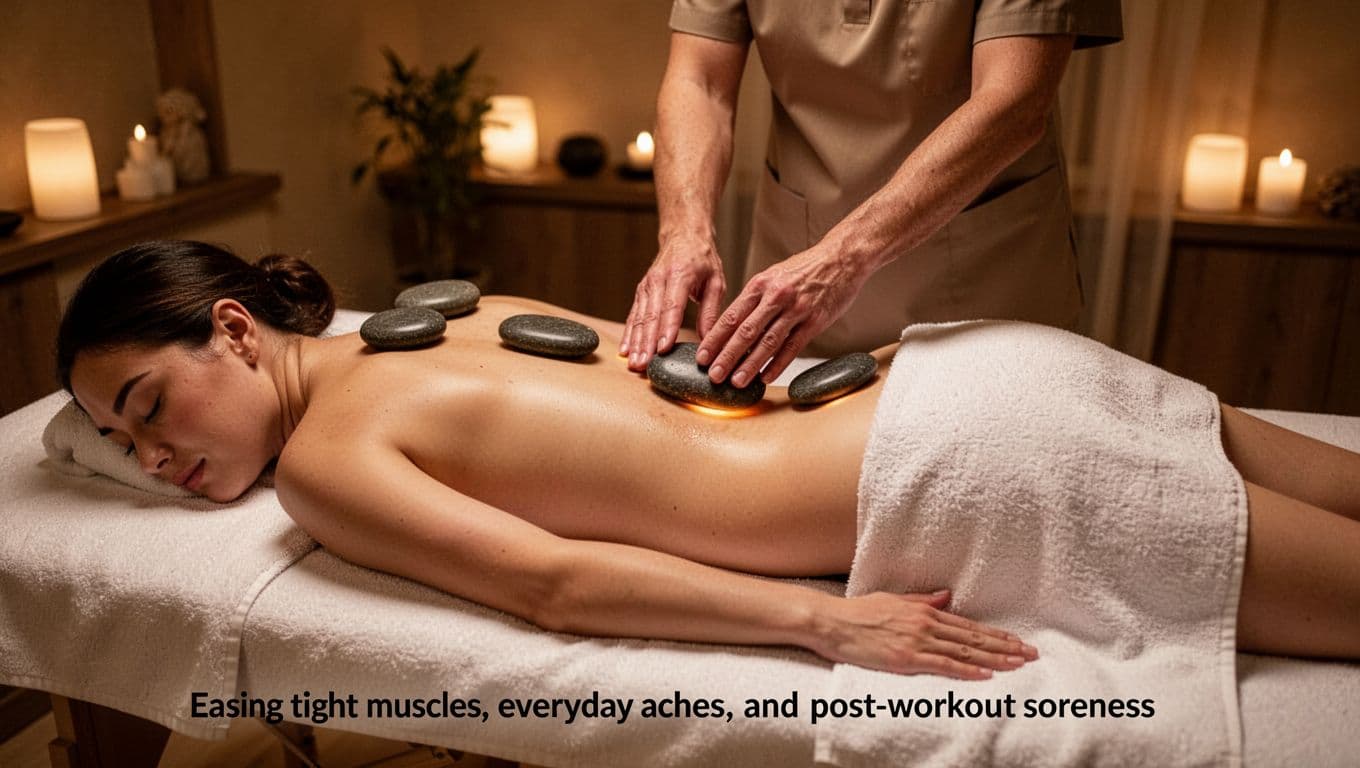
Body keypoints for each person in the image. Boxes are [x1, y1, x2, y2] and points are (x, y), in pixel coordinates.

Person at [59, 242, 1360, 679]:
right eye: (119, 442)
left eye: (147, 403)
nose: (150, 452)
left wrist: (829, 626)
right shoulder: (441, 309)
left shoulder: (331, 460)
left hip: (969, 461)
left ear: (234, 331)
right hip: (979, 365)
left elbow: (553, 589)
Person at [622, 0, 1122, 391]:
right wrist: (684, 230)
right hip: (789, 301)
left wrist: (841, 260)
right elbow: (700, 81)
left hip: (984, 302)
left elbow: (1014, 100)